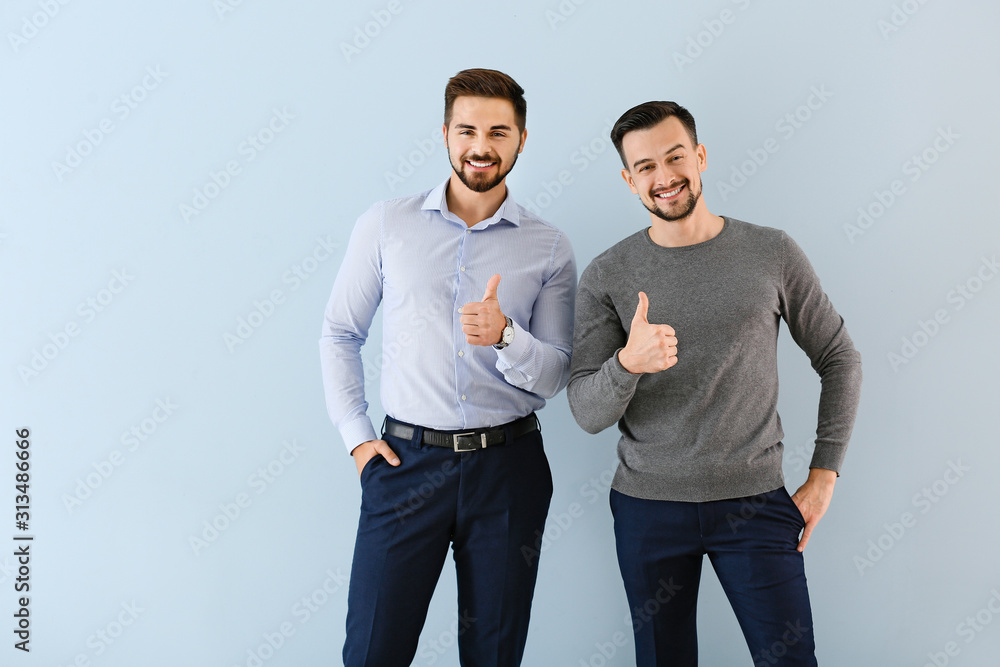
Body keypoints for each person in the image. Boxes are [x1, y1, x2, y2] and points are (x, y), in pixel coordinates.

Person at [566, 101, 862, 666]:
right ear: (629, 181)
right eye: (646, 167)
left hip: (754, 501)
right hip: (647, 507)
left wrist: (823, 475)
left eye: (675, 157)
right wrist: (627, 364)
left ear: (699, 157)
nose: (665, 177)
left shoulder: (770, 252)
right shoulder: (607, 274)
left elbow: (840, 357)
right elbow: (585, 411)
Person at [320, 68, 576, 667]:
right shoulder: (387, 225)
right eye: (467, 130)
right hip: (406, 465)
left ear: (521, 139)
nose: (481, 147)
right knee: (372, 650)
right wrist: (358, 440)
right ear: (444, 133)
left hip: (509, 468)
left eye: (498, 131)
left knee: (494, 652)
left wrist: (506, 336)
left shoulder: (550, 246)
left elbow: (556, 373)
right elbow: (339, 332)